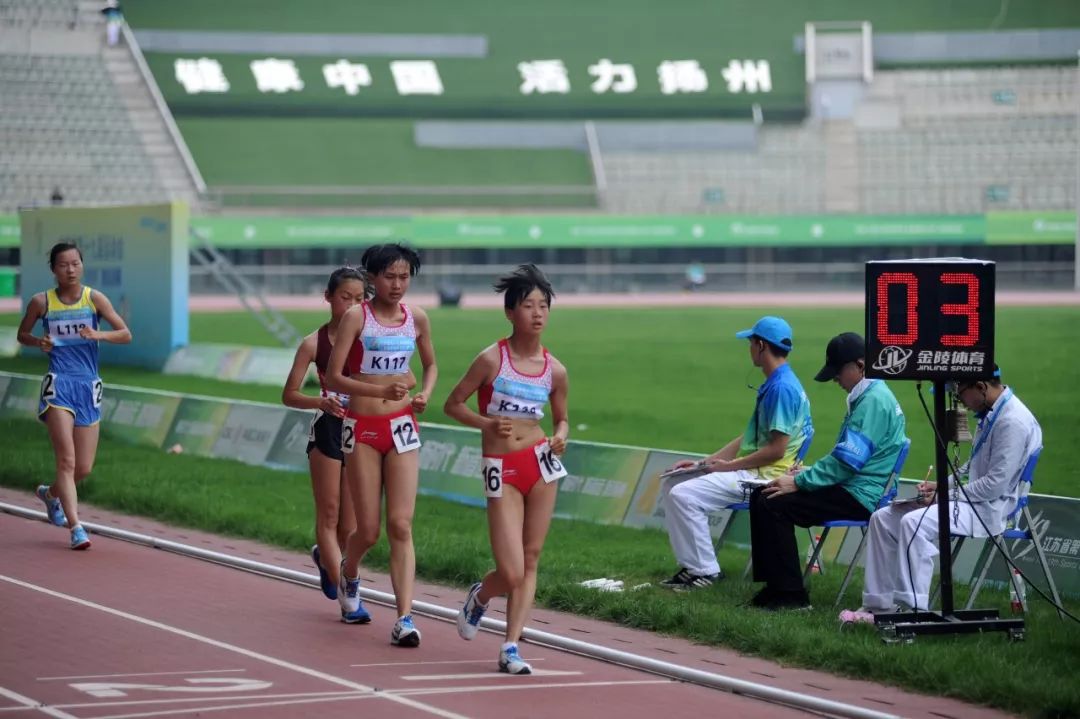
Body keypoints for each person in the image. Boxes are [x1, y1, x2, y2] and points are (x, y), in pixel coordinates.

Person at [444, 264, 569, 675]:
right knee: (511, 570)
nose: (537, 313)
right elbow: (453, 404)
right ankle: (481, 596)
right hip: (502, 467)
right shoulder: (490, 359)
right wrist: (485, 424)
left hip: (540, 463)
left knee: (531, 559)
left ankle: (511, 646)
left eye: (543, 305)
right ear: (510, 312)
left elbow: (562, 417)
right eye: (528, 305)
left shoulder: (556, 370)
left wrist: (561, 435)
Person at [841, 366, 1041, 621]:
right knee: (882, 518)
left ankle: (911, 610)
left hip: (989, 509)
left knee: (914, 523)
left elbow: (994, 485)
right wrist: (941, 486)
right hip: (972, 501)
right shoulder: (991, 413)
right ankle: (878, 605)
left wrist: (945, 495)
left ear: (980, 386)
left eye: (959, 395)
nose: (960, 403)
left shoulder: (1012, 422)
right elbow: (973, 466)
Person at [325, 243, 437, 646]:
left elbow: (431, 365)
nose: (397, 284)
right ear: (373, 277)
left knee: (401, 524)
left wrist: (422, 392)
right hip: (363, 426)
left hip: (402, 425)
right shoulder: (358, 316)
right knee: (368, 530)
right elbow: (335, 378)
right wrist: (377, 387)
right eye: (389, 276)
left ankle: (405, 617)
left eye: (404, 276)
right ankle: (349, 572)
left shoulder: (417, 317)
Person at [749, 332, 906, 611]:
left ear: (859, 365)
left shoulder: (872, 402)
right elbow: (845, 457)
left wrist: (800, 483)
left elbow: (846, 462)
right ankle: (775, 587)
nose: (835, 379)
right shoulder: (870, 395)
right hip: (853, 486)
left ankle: (790, 596)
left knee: (772, 501)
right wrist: (804, 475)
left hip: (859, 495)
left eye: (838, 372)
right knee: (763, 495)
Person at [658, 315, 811, 591]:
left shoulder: (782, 388)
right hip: (752, 470)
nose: (749, 349)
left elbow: (775, 451)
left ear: (761, 346)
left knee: (683, 494)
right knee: (673, 481)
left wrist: (726, 467)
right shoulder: (778, 382)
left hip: (765, 478)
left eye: (751, 343)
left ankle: (706, 572)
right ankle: (693, 567)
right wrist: (703, 463)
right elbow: (749, 438)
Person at [15, 242, 132, 549]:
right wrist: (37, 342)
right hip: (59, 385)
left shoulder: (94, 299)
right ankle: (76, 526)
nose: (70, 270)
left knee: (83, 468)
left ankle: (50, 494)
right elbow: (22, 335)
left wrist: (98, 334)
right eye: (63, 265)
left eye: (75, 263)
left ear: (82, 265)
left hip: (88, 385)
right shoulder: (42, 302)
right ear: (53, 269)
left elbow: (125, 334)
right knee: (66, 461)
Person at [281, 267, 366, 607]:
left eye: (360, 299)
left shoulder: (371, 341)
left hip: (360, 431)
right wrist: (321, 401)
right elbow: (289, 394)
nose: (352, 305)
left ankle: (326, 560)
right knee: (329, 515)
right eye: (345, 297)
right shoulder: (313, 344)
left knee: (351, 527)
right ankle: (351, 600)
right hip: (328, 430)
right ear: (329, 297)